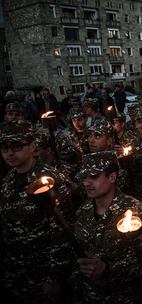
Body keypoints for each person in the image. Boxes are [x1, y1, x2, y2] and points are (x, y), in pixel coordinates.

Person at [0, 120, 74, 302]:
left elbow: (64, 231)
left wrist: (54, 277)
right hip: (15, 271)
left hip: (42, 272)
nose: (10, 153)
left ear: (32, 146)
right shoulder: (8, 180)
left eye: (17, 146)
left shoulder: (49, 179)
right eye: (4, 147)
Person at [72, 151, 142, 303]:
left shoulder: (134, 211)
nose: (86, 183)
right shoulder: (83, 212)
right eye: (85, 177)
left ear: (112, 177)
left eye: (94, 177)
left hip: (126, 297)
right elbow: (77, 259)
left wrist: (107, 268)